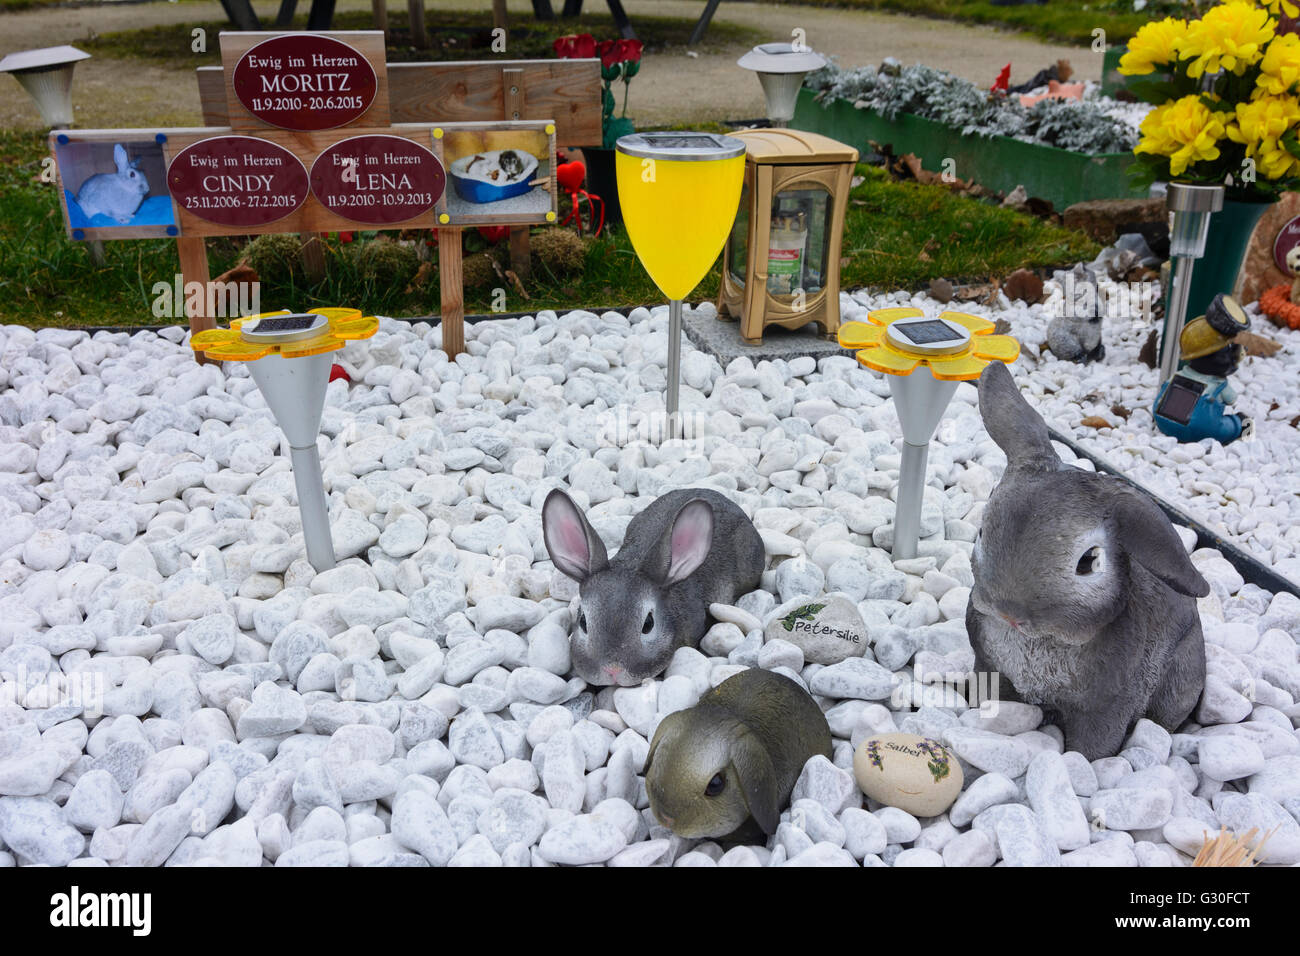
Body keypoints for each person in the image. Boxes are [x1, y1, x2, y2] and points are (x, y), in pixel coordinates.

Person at [1153, 294, 1253, 444]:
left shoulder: (1179, 375)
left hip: (1163, 421)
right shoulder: (1221, 385)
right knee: (1233, 424)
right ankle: (1246, 430)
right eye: (1229, 351)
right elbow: (1232, 400)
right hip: (1200, 431)